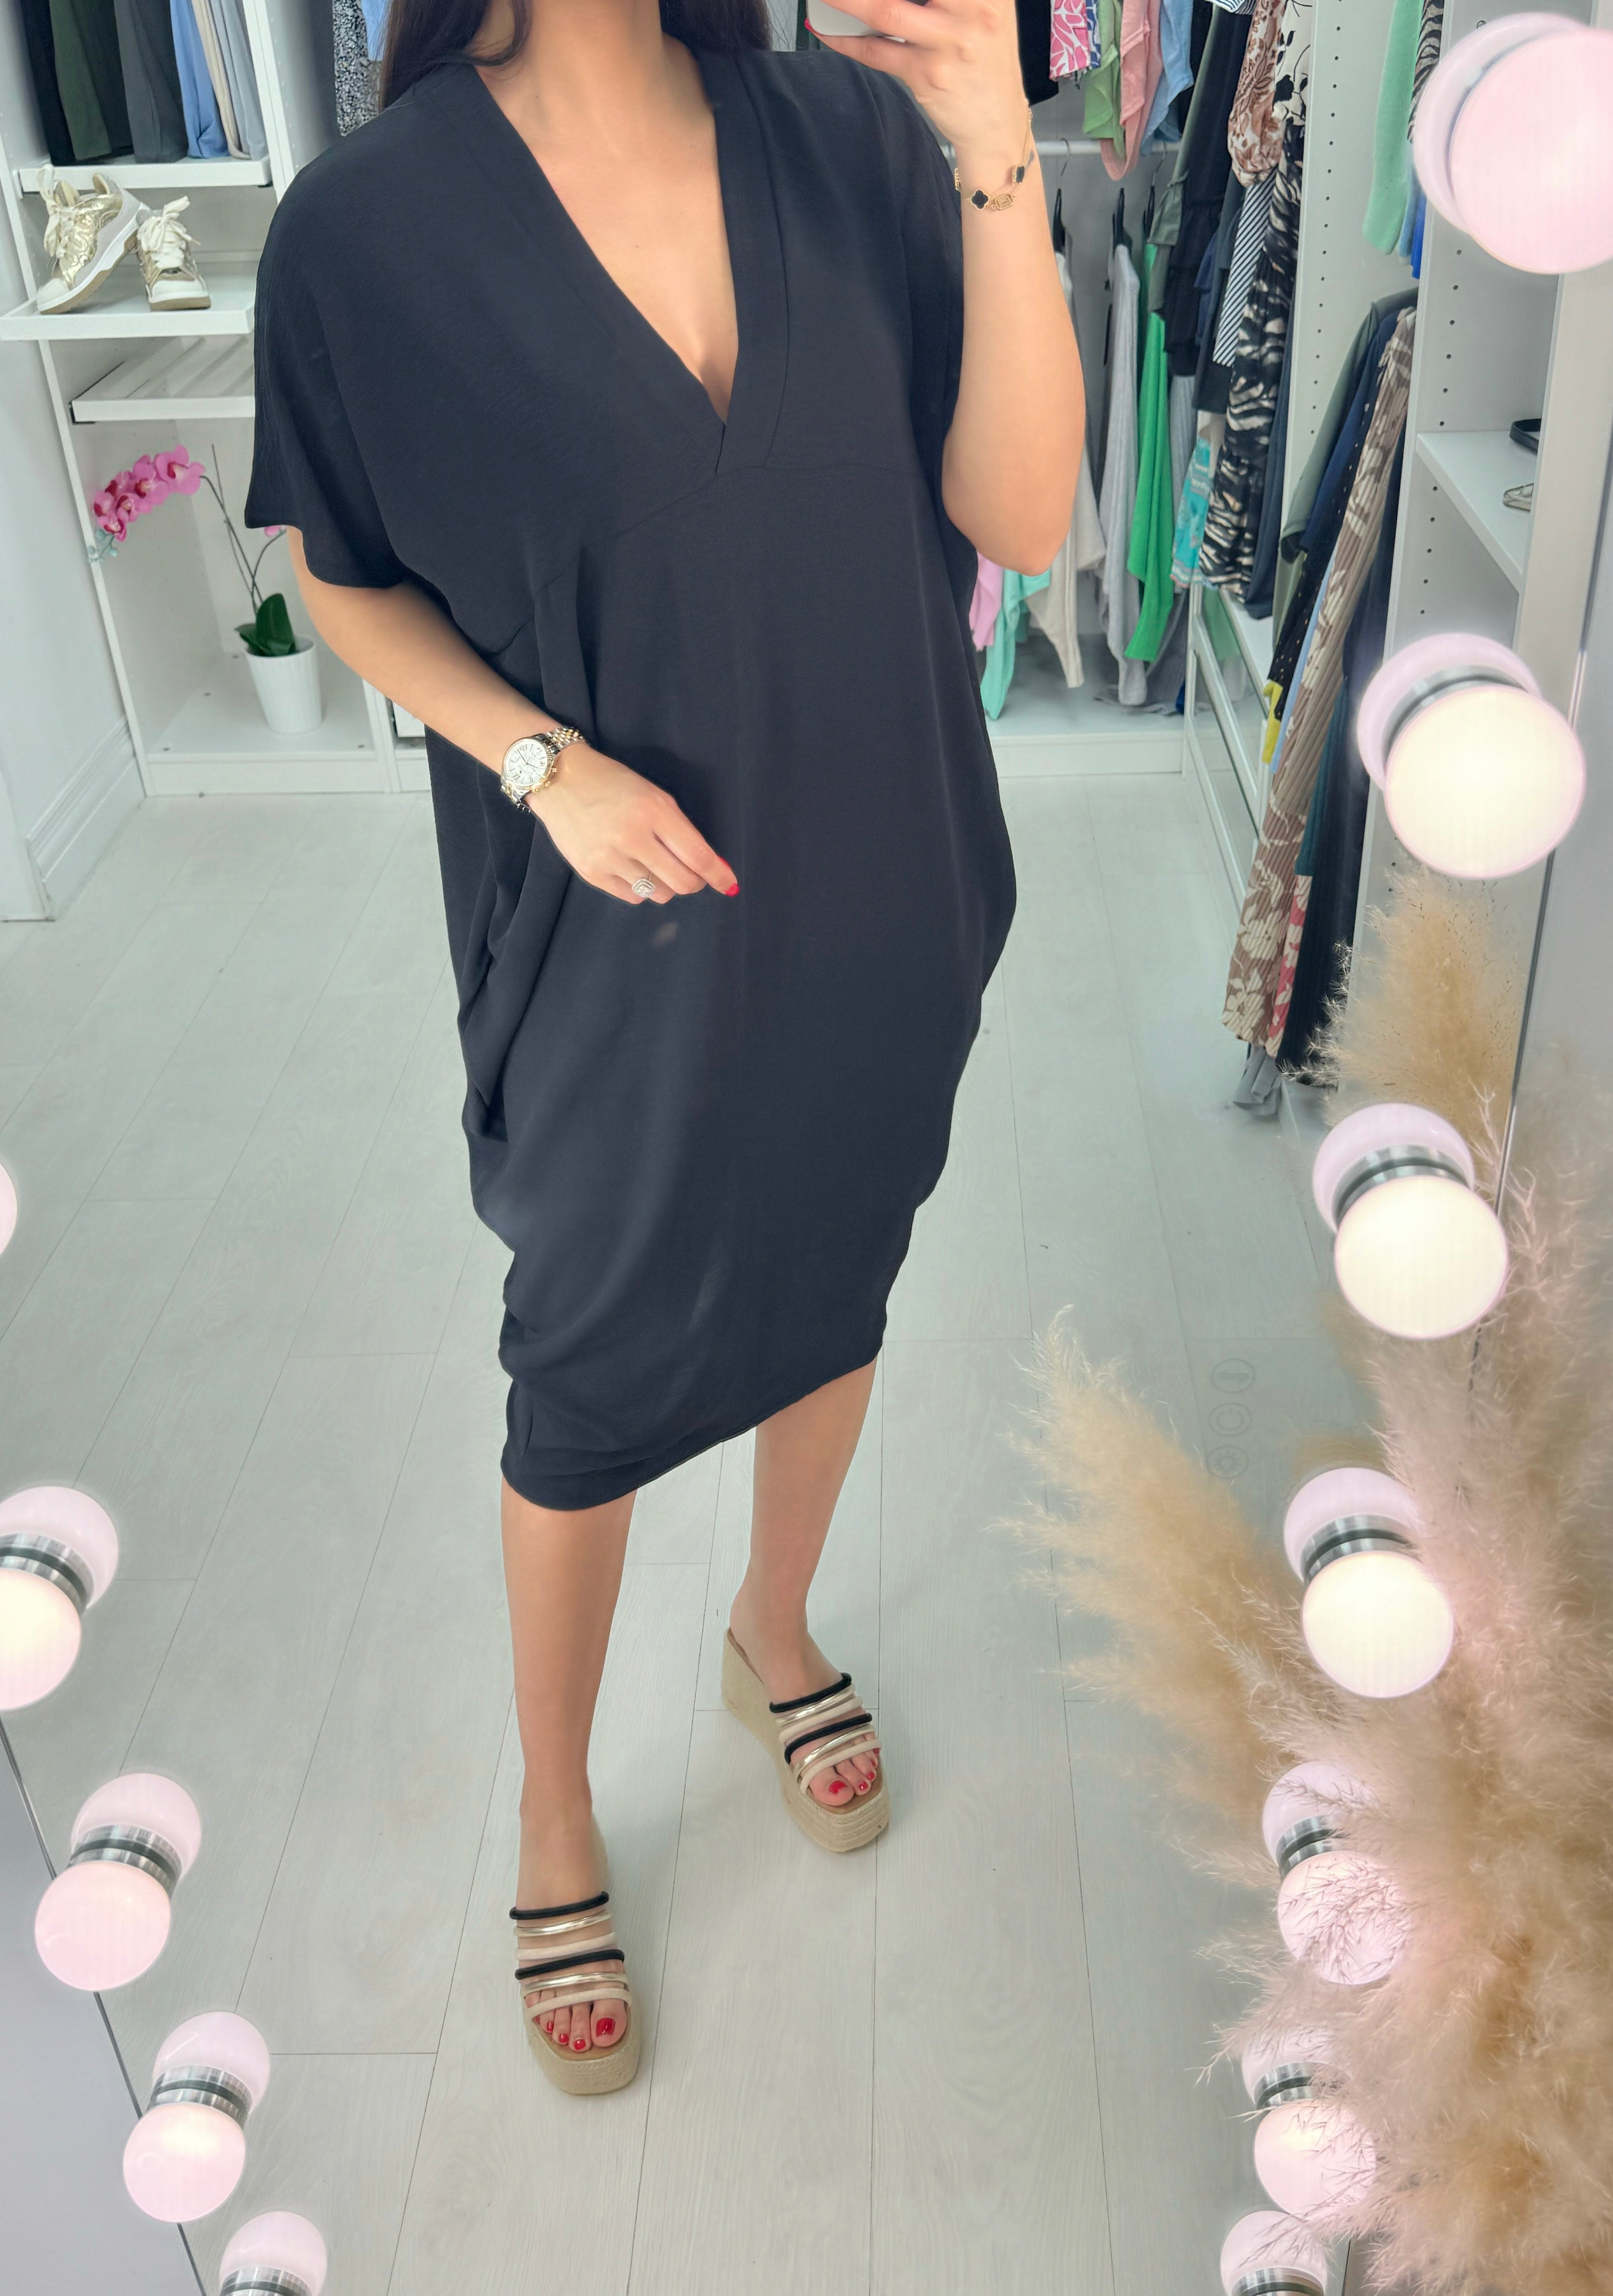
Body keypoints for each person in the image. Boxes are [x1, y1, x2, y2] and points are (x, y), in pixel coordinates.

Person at [246, 0, 1083, 2092]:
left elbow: (1028, 518)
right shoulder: (366, 227)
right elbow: (342, 581)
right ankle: (555, 1810)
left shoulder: (860, 141)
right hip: (610, 917)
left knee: (837, 1274)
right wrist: (540, 765)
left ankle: (773, 1626)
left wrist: (992, 143)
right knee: (591, 1356)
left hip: (885, 875)